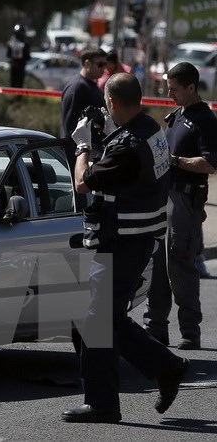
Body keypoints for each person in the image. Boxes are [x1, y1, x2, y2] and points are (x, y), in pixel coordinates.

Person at [62, 73, 189, 423]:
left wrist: (83, 145)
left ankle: (102, 403)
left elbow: (82, 182)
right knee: (107, 317)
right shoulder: (149, 128)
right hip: (136, 235)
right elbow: (127, 168)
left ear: (113, 103)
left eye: (106, 102)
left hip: (125, 239)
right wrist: (105, 134)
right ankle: (167, 366)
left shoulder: (127, 147)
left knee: (95, 320)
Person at [144, 62, 217, 350]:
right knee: (157, 267)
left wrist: (174, 161)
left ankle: (189, 331)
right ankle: (156, 328)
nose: (169, 93)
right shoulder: (177, 115)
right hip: (163, 198)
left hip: (185, 201)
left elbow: (210, 163)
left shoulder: (205, 120)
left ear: (191, 87)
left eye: (174, 89)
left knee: (180, 265)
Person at [61, 48, 107, 154]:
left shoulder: (90, 85)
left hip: (92, 150)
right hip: (82, 152)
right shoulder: (76, 88)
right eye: (100, 64)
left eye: (105, 64)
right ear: (87, 64)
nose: (104, 68)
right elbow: (70, 128)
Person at [6, 24, 31, 89]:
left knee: (13, 84)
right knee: (19, 84)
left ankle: (14, 97)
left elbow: (8, 55)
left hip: (13, 66)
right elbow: (28, 57)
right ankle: (17, 97)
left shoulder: (10, 44)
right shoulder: (25, 45)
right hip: (21, 67)